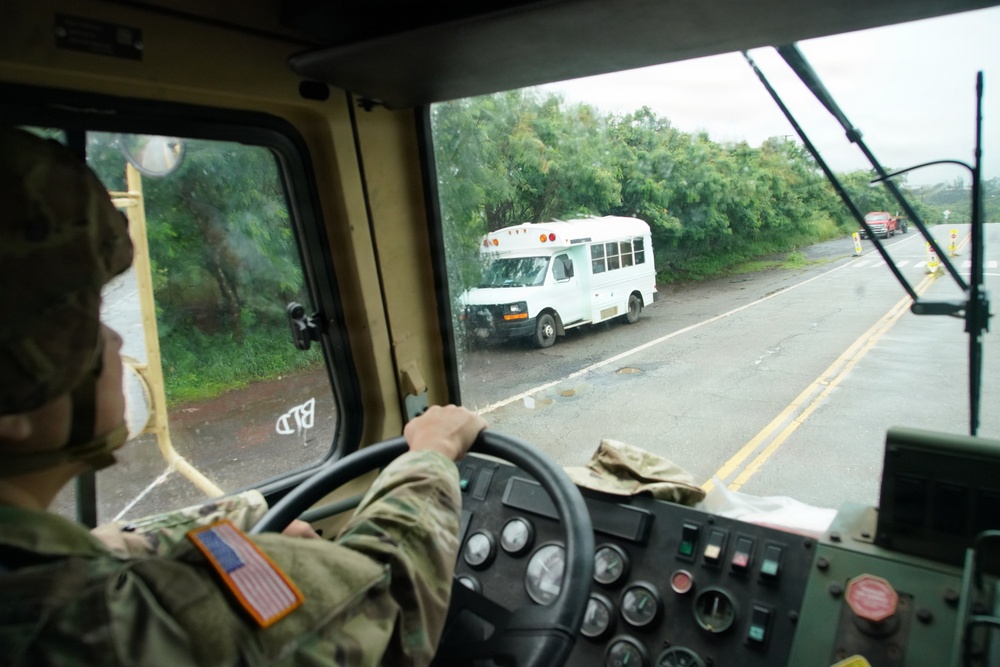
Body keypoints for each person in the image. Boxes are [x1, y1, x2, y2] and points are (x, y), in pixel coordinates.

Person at [0, 127, 488, 666]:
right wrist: (431, 455)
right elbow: (383, 608)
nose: (112, 340)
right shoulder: (88, 622)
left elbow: (112, 546)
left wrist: (247, 518)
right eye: (81, 321)